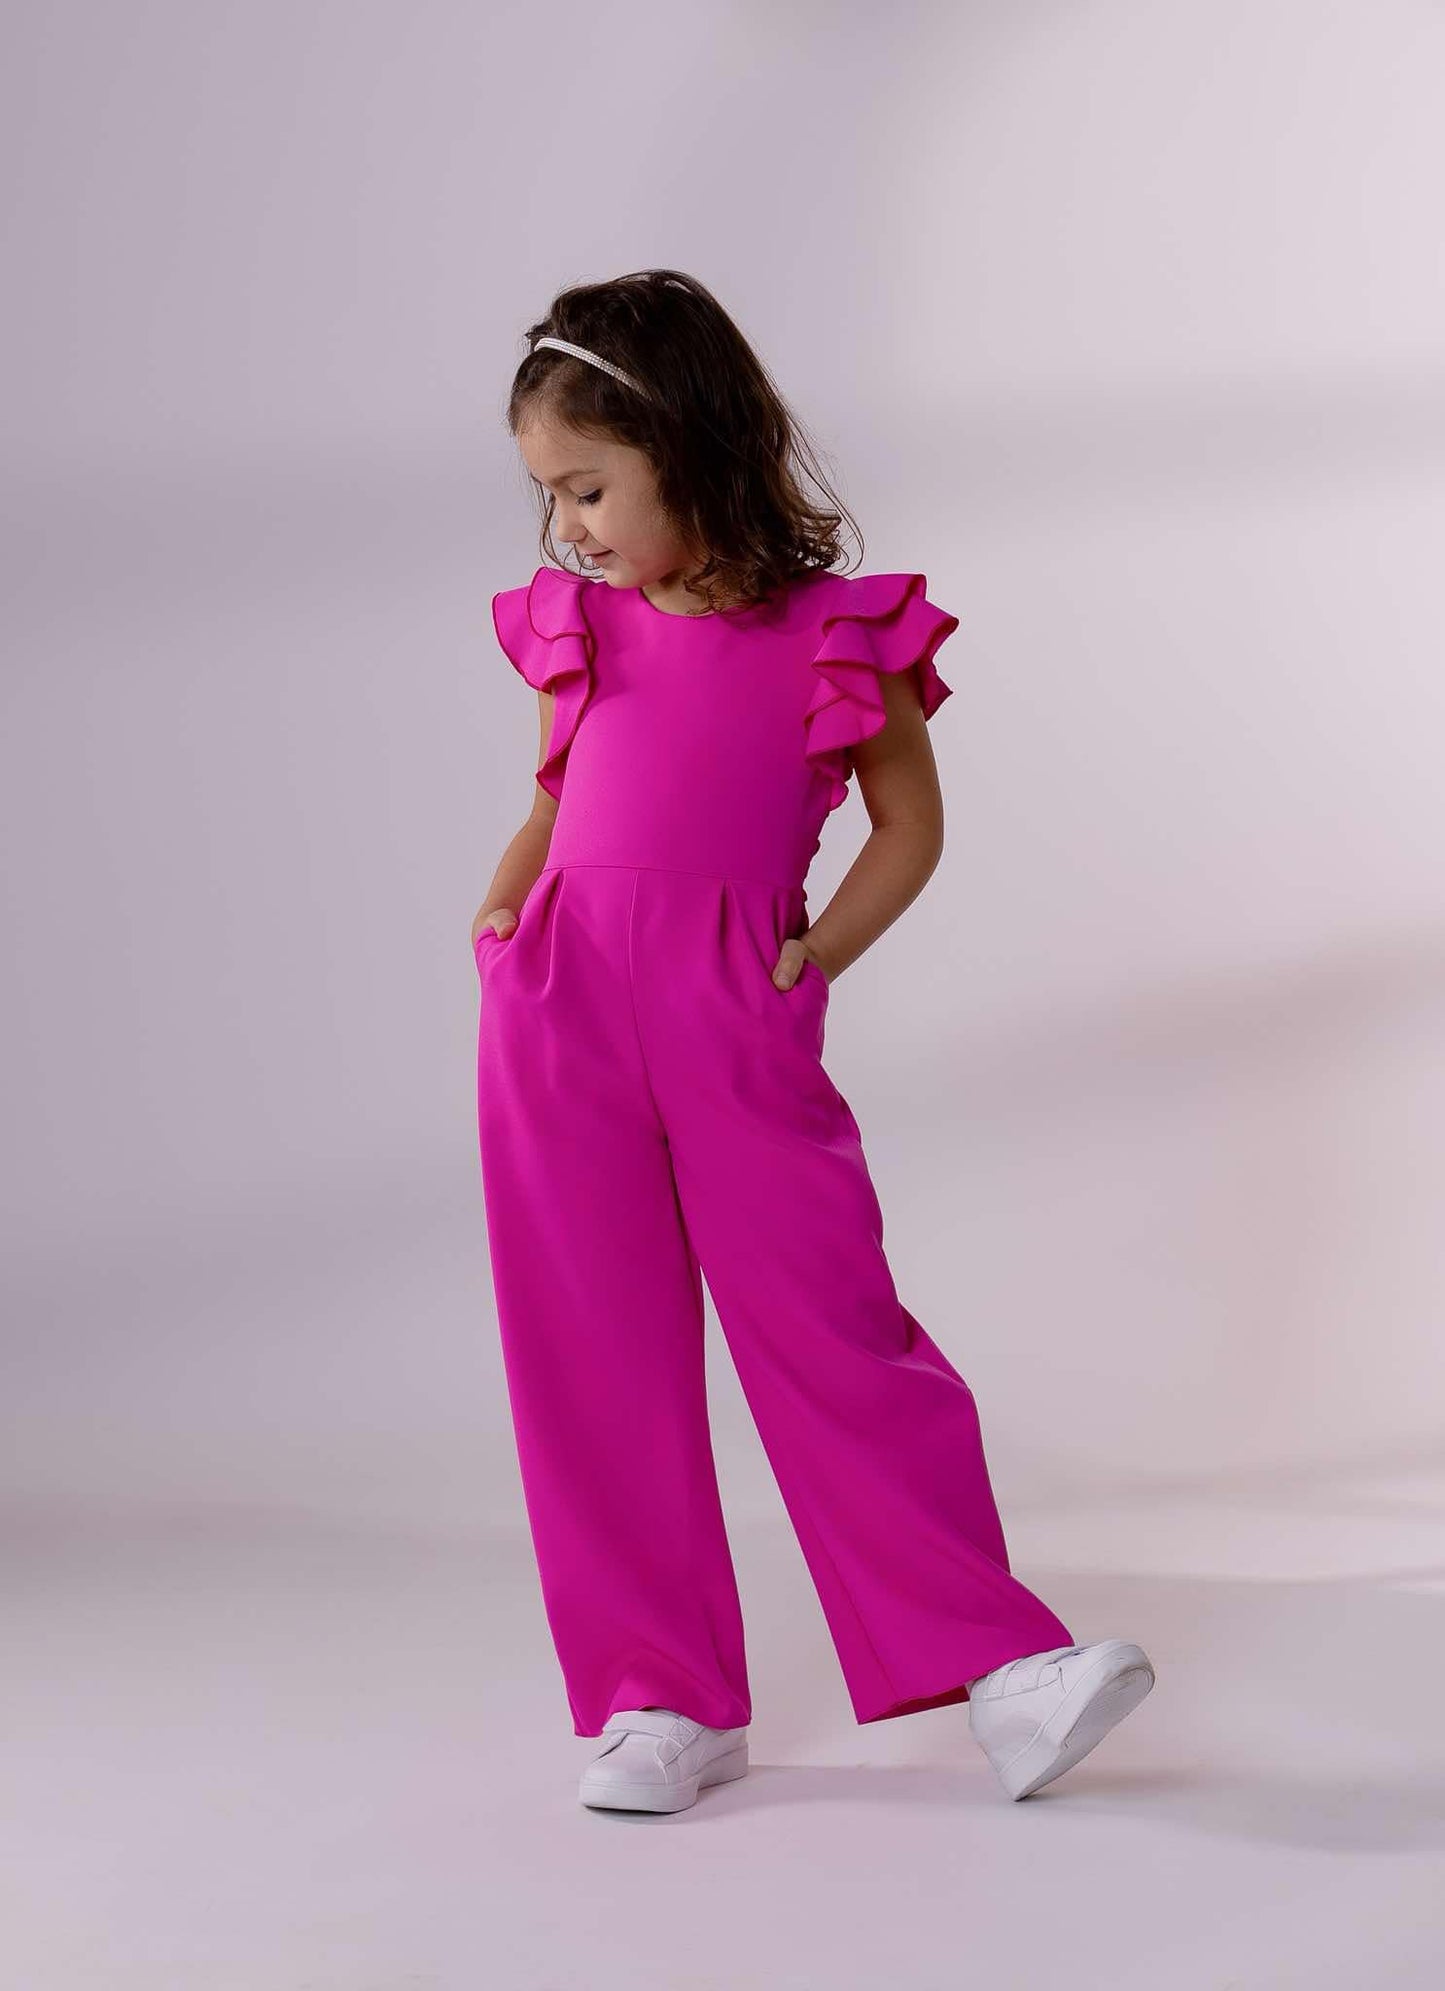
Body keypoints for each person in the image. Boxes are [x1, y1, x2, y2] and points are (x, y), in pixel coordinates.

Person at [470, 269, 1154, 1814]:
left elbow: (908, 827)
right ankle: (660, 1700)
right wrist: (502, 928)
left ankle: (1005, 1670)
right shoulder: (579, 626)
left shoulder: (839, 633)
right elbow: (551, 801)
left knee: (834, 1329)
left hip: (732, 1010)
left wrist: (810, 958)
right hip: (558, 1014)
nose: (565, 526)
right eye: (548, 495)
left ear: (686, 443)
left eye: (587, 487)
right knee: (590, 1350)